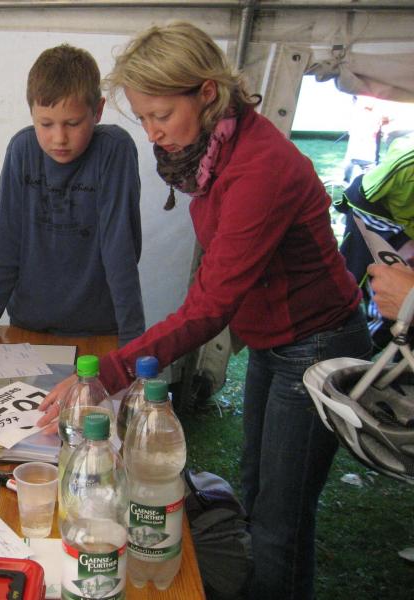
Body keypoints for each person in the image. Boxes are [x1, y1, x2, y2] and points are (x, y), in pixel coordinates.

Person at [39, 23, 371, 600]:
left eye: (161, 115)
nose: (152, 132)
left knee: (281, 518)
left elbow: (212, 304)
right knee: (259, 489)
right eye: (143, 117)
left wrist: (114, 370)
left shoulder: (258, 168)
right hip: (277, 341)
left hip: (317, 344)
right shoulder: (216, 152)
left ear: (208, 92)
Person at [0, 44, 145, 347]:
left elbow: (120, 249)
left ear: (98, 111)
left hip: (100, 327)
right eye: (45, 124)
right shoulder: (21, 150)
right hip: (29, 325)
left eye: (72, 123)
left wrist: (133, 341)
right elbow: (6, 245)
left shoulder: (114, 150)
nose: (59, 138)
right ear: (31, 113)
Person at [334, 132, 414, 348]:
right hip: (377, 217)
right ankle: (364, 347)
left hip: (403, 225)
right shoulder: (407, 162)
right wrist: (397, 239)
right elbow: (362, 194)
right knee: (381, 289)